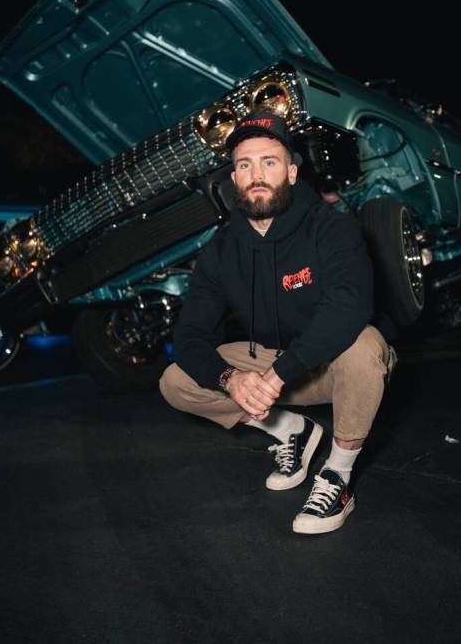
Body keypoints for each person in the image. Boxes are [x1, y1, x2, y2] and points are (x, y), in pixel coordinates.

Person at [160, 109, 396, 534]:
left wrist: (277, 375)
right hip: (269, 366)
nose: (256, 174)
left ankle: (337, 475)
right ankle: (291, 431)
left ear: (290, 172)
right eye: (244, 165)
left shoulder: (332, 227)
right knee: (176, 380)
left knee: (365, 348)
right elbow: (191, 333)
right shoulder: (221, 249)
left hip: (326, 366)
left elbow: (349, 304)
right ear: (233, 179)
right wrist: (231, 377)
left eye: (269, 162)